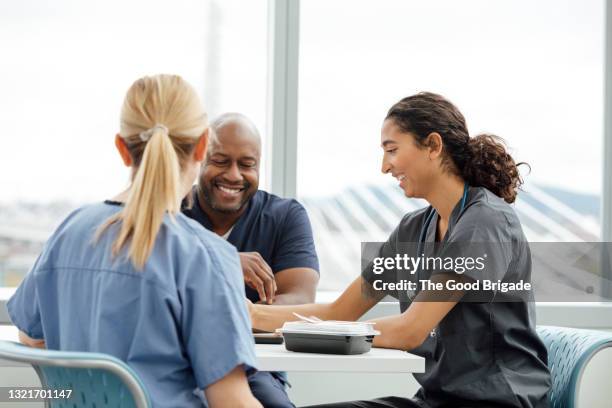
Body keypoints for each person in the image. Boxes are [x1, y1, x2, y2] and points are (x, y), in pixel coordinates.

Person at [248, 92, 551, 407]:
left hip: (497, 401)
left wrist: (324, 332)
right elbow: (337, 312)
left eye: (391, 150)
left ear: (433, 146)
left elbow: (411, 330)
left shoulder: (484, 222)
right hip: (437, 400)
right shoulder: (413, 229)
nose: (384, 166)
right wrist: (250, 313)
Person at [7, 75, 262, 408]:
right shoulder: (204, 256)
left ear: (123, 149)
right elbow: (233, 403)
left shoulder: (69, 232)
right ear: (202, 147)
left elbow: (30, 336)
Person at [182, 112, 319, 408]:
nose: (233, 175)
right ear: (200, 159)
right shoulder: (172, 213)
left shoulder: (285, 216)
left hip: (254, 367)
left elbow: (300, 303)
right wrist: (223, 261)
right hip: (178, 363)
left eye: (247, 165)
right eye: (220, 161)